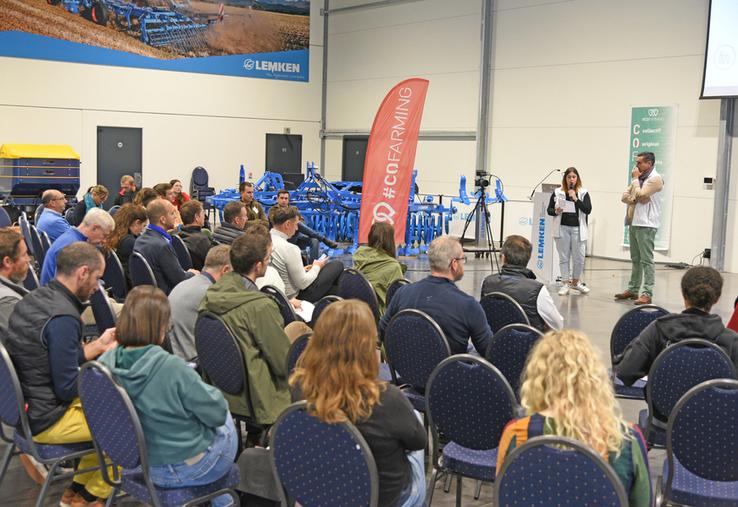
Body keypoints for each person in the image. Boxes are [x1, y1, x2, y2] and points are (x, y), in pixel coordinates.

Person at [98, 286, 237, 507]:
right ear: (161, 327)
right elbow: (217, 413)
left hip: (140, 464)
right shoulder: (171, 367)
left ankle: (221, 500)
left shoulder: (104, 365)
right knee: (226, 421)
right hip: (183, 469)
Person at [6, 242, 118, 506]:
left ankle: (76, 491)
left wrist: (97, 346)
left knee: (109, 409)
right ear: (82, 272)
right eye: (97, 279)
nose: (97, 287)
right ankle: (92, 497)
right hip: (48, 419)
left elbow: (50, 359)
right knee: (129, 425)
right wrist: (107, 379)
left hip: (29, 409)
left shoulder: (35, 298)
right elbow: (67, 387)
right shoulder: (64, 318)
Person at [290, 300, 426, 507]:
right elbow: (418, 442)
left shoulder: (299, 386)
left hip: (319, 492)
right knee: (414, 420)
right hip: (379, 499)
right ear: (368, 346)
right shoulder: (386, 398)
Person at [496, 329, 651, 507]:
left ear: (538, 378)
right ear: (595, 378)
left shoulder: (516, 434)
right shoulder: (627, 440)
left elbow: (503, 498)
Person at [614, 266, 738, 418]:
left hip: (663, 423)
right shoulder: (731, 341)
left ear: (683, 294)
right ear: (717, 298)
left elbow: (626, 371)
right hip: (713, 427)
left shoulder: (658, 330)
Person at [198, 232, 291, 425]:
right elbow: (283, 363)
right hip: (255, 397)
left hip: (221, 387)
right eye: (268, 258)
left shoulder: (214, 293)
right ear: (258, 266)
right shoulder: (260, 307)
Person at [379, 235, 491, 356]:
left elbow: (381, 332)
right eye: (462, 259)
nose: (463, 263)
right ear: (454, 264)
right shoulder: (469, 306)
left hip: (406, 370)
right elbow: (490, 350)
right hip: (448, 374)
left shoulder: (402, 293)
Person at [481, 235, 563, 332]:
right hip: (528, 345)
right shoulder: (537, 290)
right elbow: (558, 325)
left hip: (494, 343)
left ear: (503, 258)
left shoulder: (487, 282)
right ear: (528, 259)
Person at [615, 151, 664, 305]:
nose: (636, 166)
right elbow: (625, 196)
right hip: (634, 222)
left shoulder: (655, 179)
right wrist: (637, 197)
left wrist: (636, 181)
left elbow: (641, 192)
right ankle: (633, 289)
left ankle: (647, 293)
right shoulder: (640, 179)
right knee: (635, 259)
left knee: (646, 260)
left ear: (649, 163)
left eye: (640, 162)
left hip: (647, 224)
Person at [169, 245, 231, 362]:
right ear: (226, 270)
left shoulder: (184, 284)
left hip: (176, 355)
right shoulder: (209, 293)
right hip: (191, 364)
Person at [269, 206, 343, 303]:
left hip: (274, 294)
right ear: (287, 224)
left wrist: (302, 270)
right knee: (337, 265)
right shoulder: (290, 248)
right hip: (293, 297)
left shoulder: (265, 240)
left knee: (334, 289)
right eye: (296, 225)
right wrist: (317, 267)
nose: (296, 229)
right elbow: (303, 284)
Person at [133, 199, 197, 295]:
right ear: (163, 219)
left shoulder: (140, 239)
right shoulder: (162, 246)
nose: (175, 216)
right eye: (172, 214)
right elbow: (180, 279)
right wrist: (192, 274)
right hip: (165, 298)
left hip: (146, 296)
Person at [546, 167, 592, 296]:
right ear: (565, 178)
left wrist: (576, 199)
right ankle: (565, 283)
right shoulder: (557, 192)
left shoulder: (583, 192)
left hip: (578, 229)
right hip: (562, 228)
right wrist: (556, 211)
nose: (571, 179)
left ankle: (576, 283)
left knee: (579, 258)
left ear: (577, 178)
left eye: (574, 177)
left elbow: (588, 209)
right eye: (569, 177)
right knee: (564, 257)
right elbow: (549, 210)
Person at [41, 208, 115, 285]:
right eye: (104, 235)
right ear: (94, 228)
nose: (105, 241)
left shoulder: (71, 237)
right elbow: (65, 287)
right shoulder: (73, 247)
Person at [352, 221, 404, 314]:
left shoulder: (358, 255)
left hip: (356, 309)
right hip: (377, 315)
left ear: (370, 236)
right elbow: (398, 299)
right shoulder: (393, 266)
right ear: (390, 241)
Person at [271, 189, 338, 257]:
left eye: (286, 198)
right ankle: (323, 239)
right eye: (282, 198)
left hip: (296, 236)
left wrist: (296, 224)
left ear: (288, 200)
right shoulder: (273, 210)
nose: (284, 200)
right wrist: (294, 222)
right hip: (284, 237)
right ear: (277, 199)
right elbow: (277, 222)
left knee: (314, 240)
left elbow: (302, 220)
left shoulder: (293, 209)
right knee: (297, 223)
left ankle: (312, 264)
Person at [103, 203, 147, 282]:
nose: (142, 231)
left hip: (115, 282)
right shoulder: (130, 242)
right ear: (137, 222)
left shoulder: (113, 234)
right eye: (143, 226)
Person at [0, 228, 29, 338]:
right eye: (25, 254)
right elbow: (26, 348)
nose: (28, 259)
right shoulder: (7, 302)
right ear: (7, 262)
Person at [177, 200, 215, 271]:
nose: (204, 216)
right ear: (197, 217)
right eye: (203, 212)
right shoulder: (201, 240)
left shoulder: (177, 235)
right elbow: (214, 263)